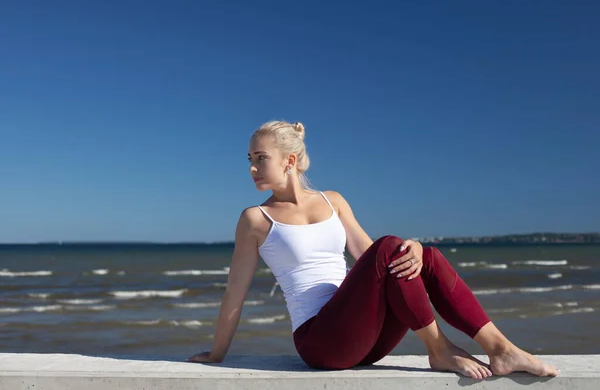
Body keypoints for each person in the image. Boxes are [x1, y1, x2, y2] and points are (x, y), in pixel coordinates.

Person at [186, 120, 559, 379]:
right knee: (392, 247)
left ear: (290, 161)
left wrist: (409, 250)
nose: (252, 168)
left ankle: (500, 348)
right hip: (321, 342)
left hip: (367, 339)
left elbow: (373, 258)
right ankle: (440, 349)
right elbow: (235, 292)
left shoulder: (333, 201)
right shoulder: (256, 219)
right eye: (249, 160)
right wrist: (218, 353)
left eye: (260, 158)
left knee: (423, 255)